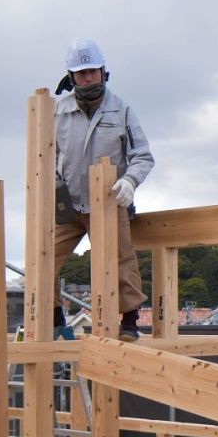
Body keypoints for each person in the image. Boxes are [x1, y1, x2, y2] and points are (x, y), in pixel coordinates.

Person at [53, 37, 154, 341]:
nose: (88, 78)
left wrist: (130, 181)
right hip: (66, 203)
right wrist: (51, 186)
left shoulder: (121, 111)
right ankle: (55, 318)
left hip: (108, 200)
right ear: (71, 77)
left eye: (93, 71)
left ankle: (129, 321)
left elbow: (143, 156)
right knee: (41, 258)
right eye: (82, 73)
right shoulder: (57, 113)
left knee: (121, 259)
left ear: (103, 71)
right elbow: (43, 156)